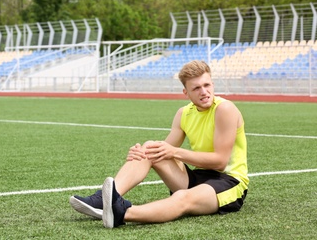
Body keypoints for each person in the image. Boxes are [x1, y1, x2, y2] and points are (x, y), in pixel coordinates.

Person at [69, 60, 249, 228]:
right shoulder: (183, 113)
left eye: (207, 85)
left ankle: (122, 212)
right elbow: (163, 151)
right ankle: (104, 199)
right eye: (196, 88)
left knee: (182, 198)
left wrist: (175, 152)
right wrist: (140, 153)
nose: (204, 92)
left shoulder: (224, 109)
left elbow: (220, 162)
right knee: (149, 147)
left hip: (229, 182)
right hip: (198, 176)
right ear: (186, 93)